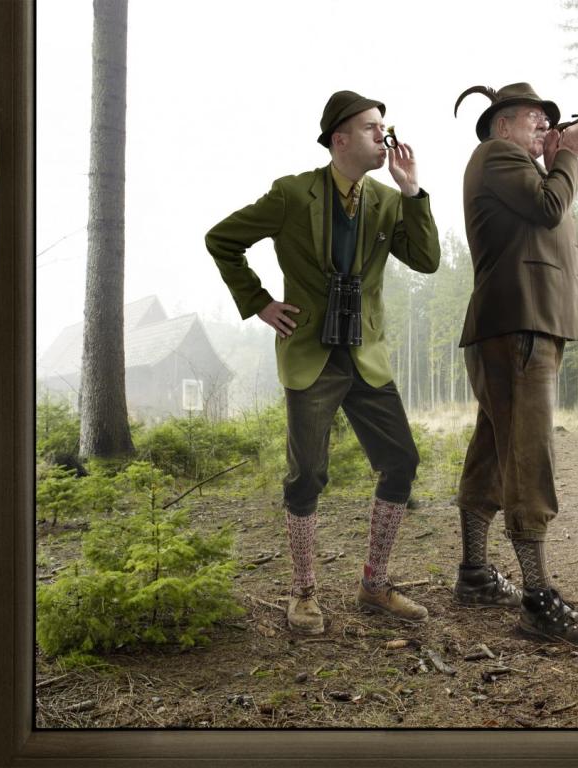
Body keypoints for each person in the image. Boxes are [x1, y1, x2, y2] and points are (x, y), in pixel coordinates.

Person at [205, 90, 441, 635]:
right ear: (340, 139)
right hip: (311, 353)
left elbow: (427, 260)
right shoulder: (293, 194)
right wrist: (259, 302)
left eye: (383, 127)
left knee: (400, 460)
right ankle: (304, 590)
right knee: (307, 474)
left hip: (365, 355)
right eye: (371, 128)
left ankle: (374, 584)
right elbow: (222, 239)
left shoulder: (388, 201)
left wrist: (412, 192)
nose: (383, 136)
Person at [452, 82, 578, 643]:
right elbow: (548, 209)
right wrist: (568, 157)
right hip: (518, 327)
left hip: (523, 325)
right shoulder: (496, 155)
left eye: (549, 120)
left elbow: (543, 211)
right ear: (502, 126)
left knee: (494, 449)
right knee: (528, 455)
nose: (546, 126)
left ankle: (475, 573)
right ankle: (539, 601)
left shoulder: (521, 170)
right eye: (534, 119)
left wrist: (554, 161)